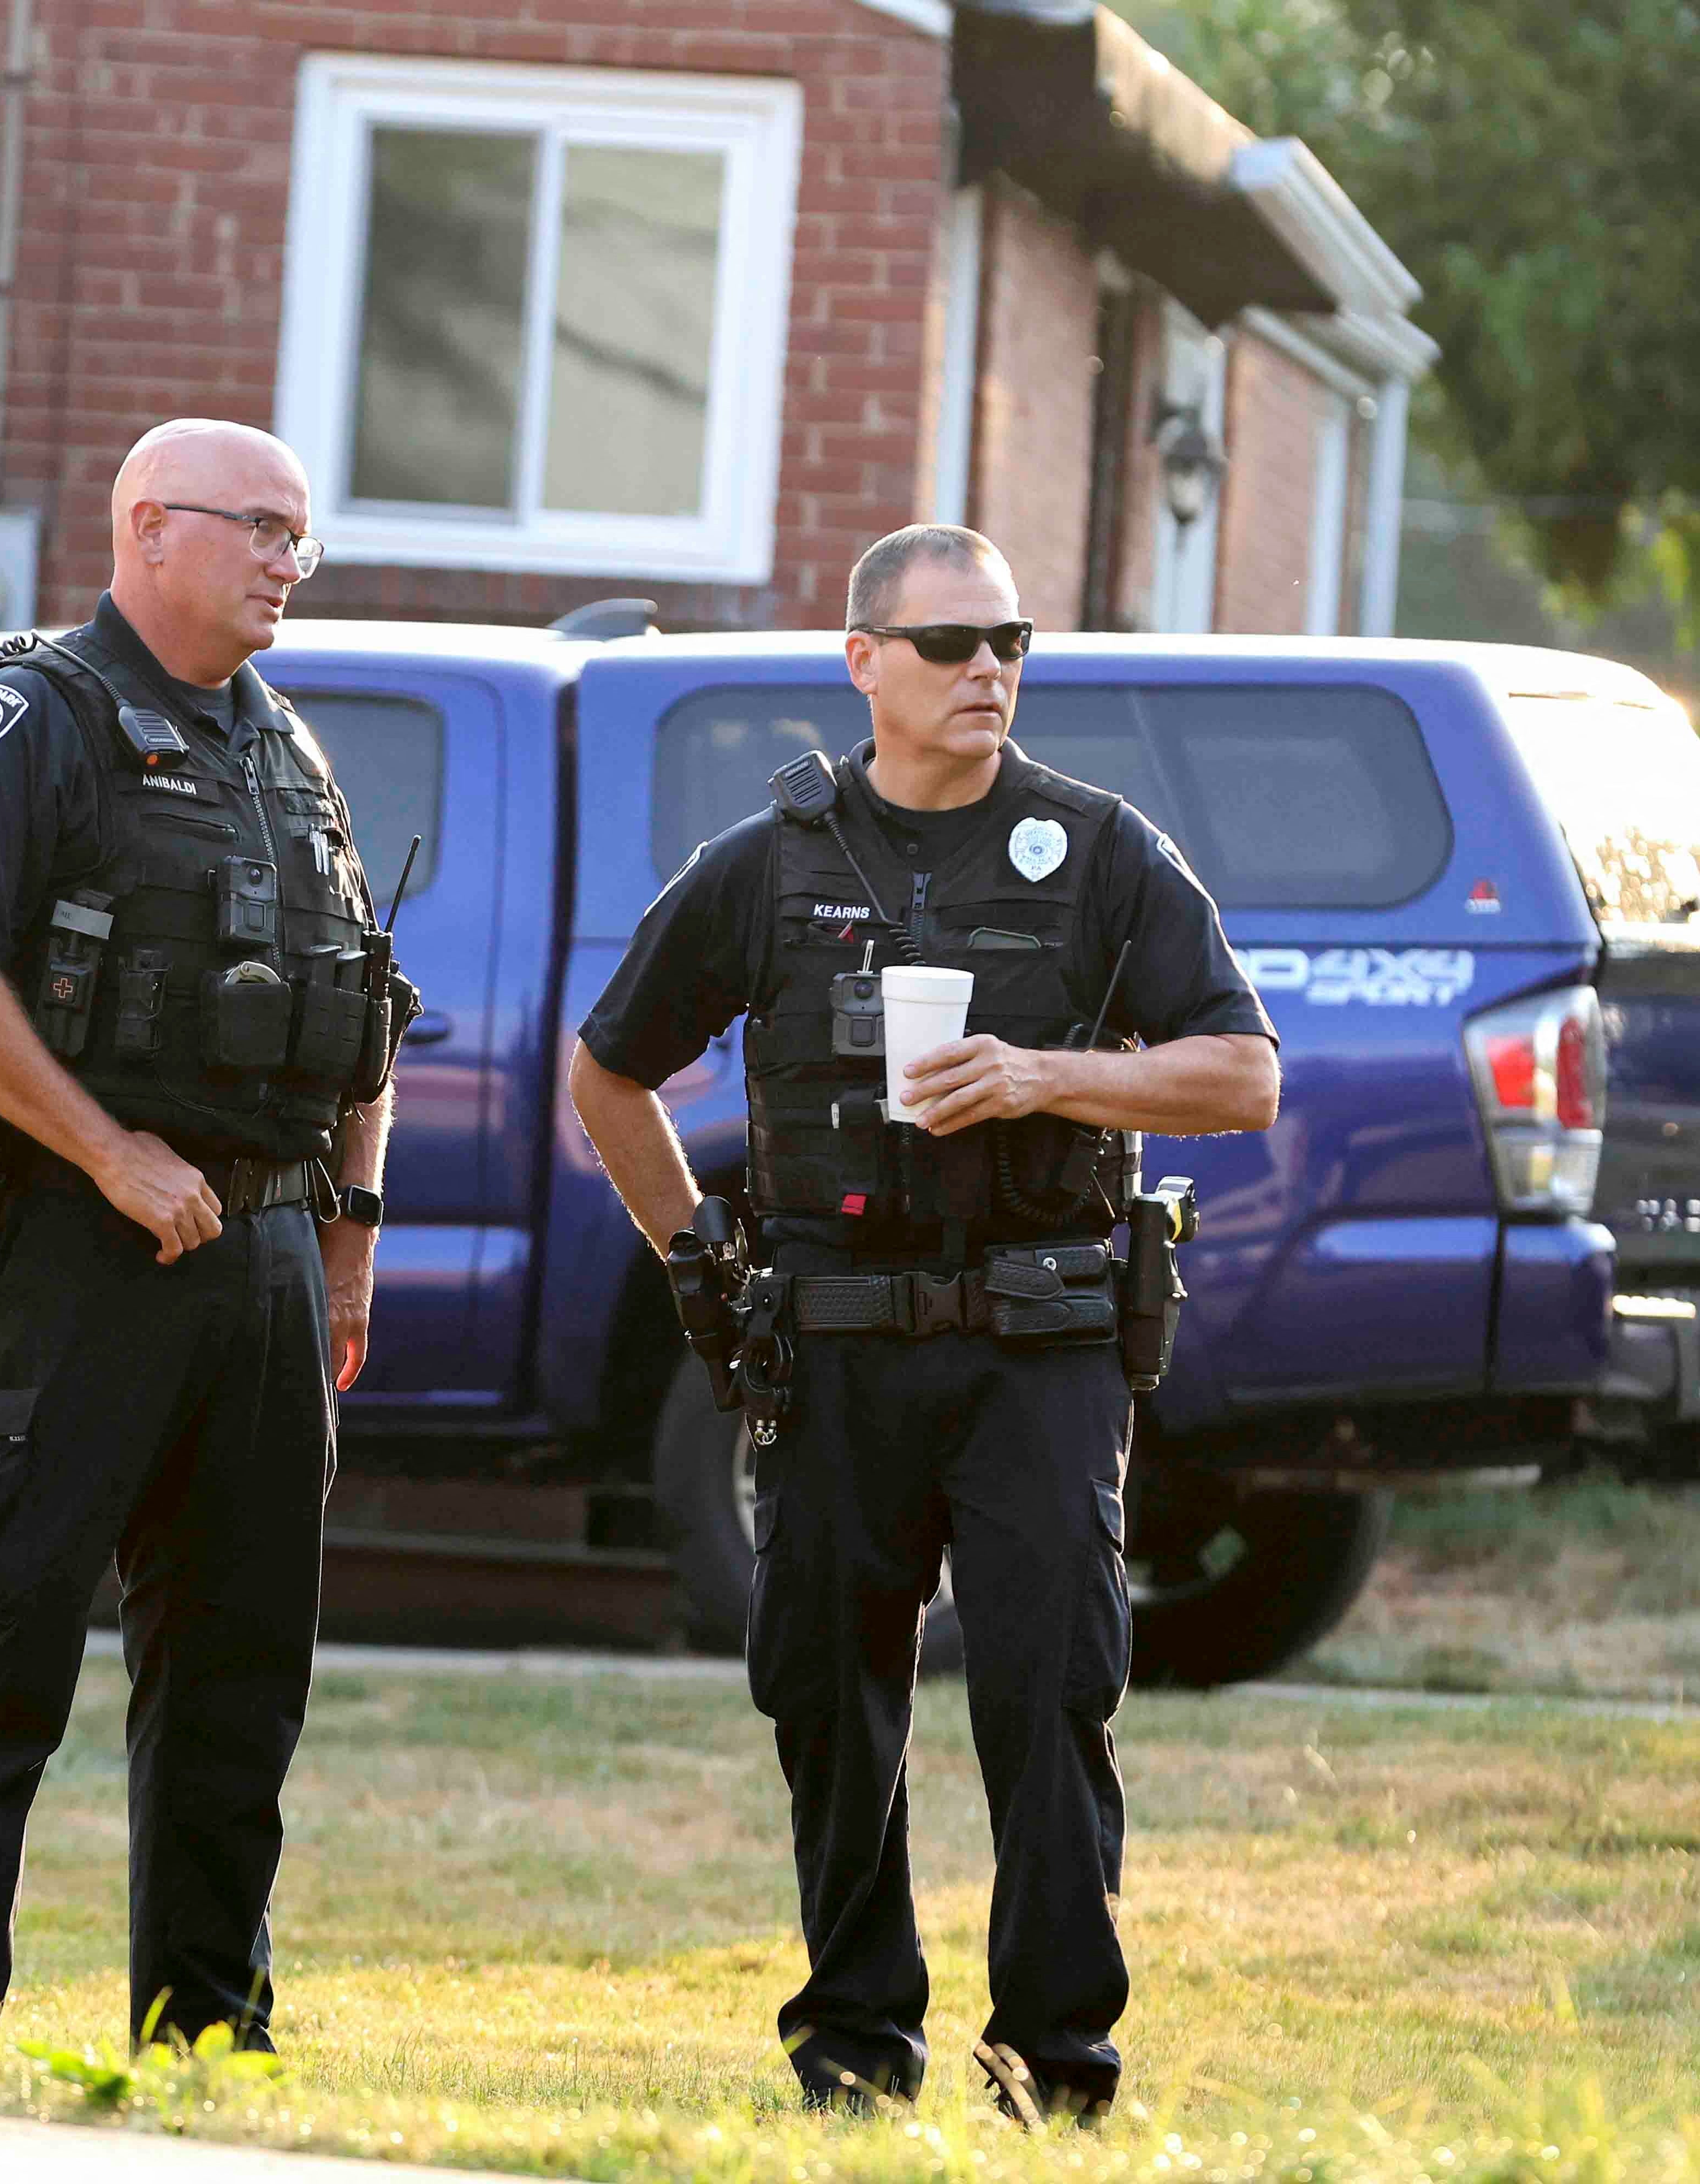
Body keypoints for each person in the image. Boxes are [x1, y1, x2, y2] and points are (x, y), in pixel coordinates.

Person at [567, 525, 1278, 2121]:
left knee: (1048, 1698)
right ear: (863, 661)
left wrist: (1047, 1077)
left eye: (1010, 642)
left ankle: (1054, 2073)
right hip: (832, 1346)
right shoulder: (770, 864)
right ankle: (853, 2053)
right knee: (828, 1699)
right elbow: (607, 1070)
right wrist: (699, 1263)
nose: (989, 673)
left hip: (1043, 1347)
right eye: (951, 645)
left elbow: (1245, 1074)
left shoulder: (1101, 853)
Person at [0, 419, 405, 2051]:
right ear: (150, 527)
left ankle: (209, 2030)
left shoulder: (286, 744)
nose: (287, 563)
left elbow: (363, 1008)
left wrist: (350, 1235)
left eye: (305, 537)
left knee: (240, 1671)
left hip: (267, 1262)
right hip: (68, 1250)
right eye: (261, 530)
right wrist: (108, 1154)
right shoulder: (29, 720)